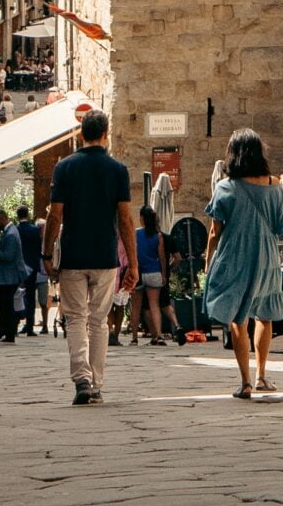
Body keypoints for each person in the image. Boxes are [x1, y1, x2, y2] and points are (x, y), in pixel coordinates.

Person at [44, 109, 135, 406]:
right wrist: (132, 263)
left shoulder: (65, 168)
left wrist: (47, 254)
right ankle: (95, 382)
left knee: (75, 319)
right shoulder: (118, 170)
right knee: (98, 322)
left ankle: (81, 378)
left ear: (81, 134)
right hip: (105, 255)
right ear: (106, 134)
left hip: (73, 254)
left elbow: (55, 215)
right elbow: (125, 220)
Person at [203, 128, 283, 399]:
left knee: (237, 318)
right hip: (266, 257)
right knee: (265, 315)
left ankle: (245, 381)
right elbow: (281, 226)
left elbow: (214, 231)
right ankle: (262, 375)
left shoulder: (225, 187)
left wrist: (209, 263)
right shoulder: (273, 186)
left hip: (234, 257)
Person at [134, 205, 173, 343]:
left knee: (136, 307)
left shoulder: (136, 234)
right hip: (154, 271)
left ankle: (134, 338)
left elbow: (133, 254)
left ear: (142, 219)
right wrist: (163, 274)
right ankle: (159, 335)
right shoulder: (158, 236)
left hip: (139, 272)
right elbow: (162, 257)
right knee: (154, 305)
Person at [0, 208, 27, 342]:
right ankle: (4, 331)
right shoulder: (9, 232)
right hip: (6, 275)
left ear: (3, 219)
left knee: (5, 304)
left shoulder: (11, 234)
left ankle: (8, 332)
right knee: (1, 303)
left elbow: (9, 256)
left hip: (9, 275)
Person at [18, 207, 48, 333]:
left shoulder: (16, 230)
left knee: (19, 295)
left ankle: (19, 322)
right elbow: (38, 249)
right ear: (28, 215)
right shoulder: (35, 231)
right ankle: (30, 326)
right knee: (30, 297)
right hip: (33, 267)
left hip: (20, 267)